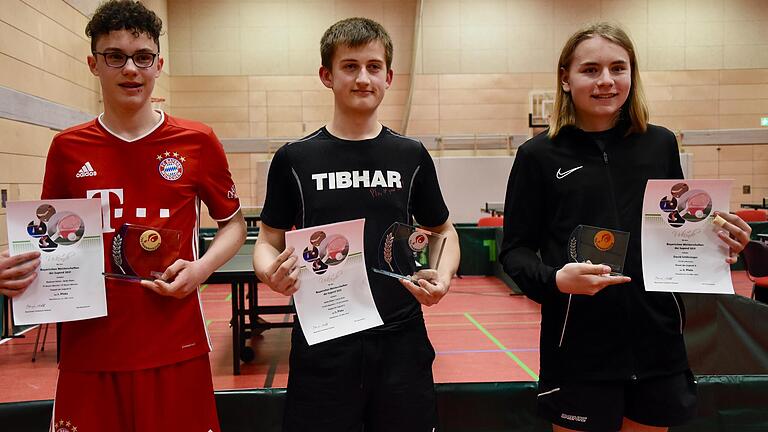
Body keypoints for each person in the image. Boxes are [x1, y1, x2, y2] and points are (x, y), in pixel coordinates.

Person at [499, 22, 751, 432]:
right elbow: (515, 251)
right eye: (591, 70)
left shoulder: (660, 144)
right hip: (578, 346)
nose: (606, 81)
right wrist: (556, 280)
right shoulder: (537, 156)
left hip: (657, 342)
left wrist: (721, 242)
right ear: (565, 78)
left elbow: (678, 227)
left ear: (632, 75)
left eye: (618, 68)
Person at [6, 1, 245, 430]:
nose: (130, 69)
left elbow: (233, 224)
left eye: (142, 57)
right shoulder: (67, 147)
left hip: (176, 342)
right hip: (90, 349)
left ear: (158, 65)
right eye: (115, 56)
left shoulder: (198, 140)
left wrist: (203, 268)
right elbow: (46, 238)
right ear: (93, 64)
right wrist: (15, 268)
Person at [252, 17, 460, 432]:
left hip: (401, 338)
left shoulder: (411, 154)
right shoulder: (295, 158)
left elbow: (445, 232)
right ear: (327, 76)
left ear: (389, 77)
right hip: (324, 341)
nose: (363, 77)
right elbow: (267, 239)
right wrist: (268, 273)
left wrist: (444, 277)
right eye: (350, 66)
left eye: (373, 66)